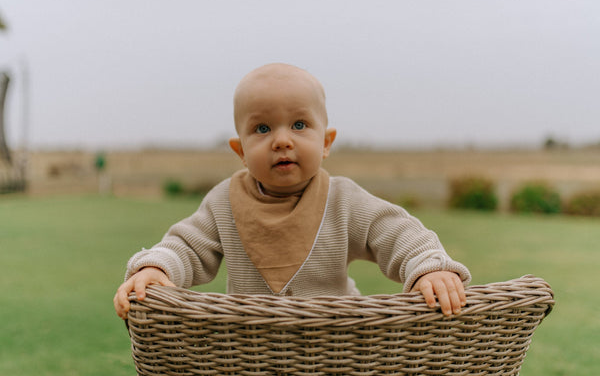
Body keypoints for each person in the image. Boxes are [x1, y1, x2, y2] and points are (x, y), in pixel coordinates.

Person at [114, 63, 471, 320]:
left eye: (299, 125)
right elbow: (187, 246)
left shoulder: (343, 200)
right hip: (250, 347)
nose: (282, 140)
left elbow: (396, 232)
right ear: (240, 151)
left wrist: (428, 268)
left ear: (326, 142)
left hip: (337, 343)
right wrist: (158, 269)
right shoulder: (224, 203)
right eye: (262, 128)